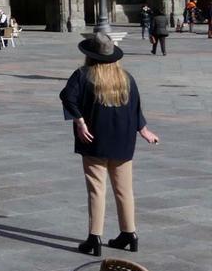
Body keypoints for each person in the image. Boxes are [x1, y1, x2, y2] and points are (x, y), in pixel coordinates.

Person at [61, 33, 160, 256]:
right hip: (123, 140)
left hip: (94, 138)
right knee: (124, 190)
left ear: (89, 55)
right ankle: (129, 233)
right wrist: (143, 130)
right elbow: (136, 108)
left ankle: (94, 238)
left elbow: (68, 97)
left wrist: (80, 121)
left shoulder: (82, 75)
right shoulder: (125, 78)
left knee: (97, 189)